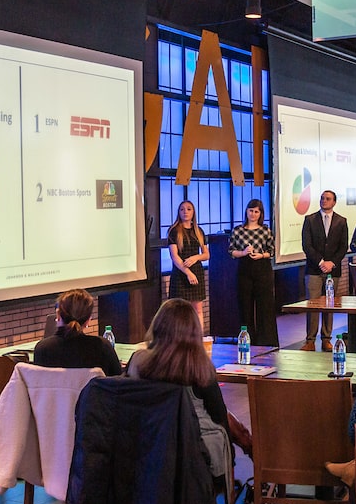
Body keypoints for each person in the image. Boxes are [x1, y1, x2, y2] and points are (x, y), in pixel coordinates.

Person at [126, 299, 244, 484]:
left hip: (146, 454)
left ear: (158, 325)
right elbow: (218, 417)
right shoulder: (200, 368)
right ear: (194, 332)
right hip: (194, 461)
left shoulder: (137, 362)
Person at [31, 288, 122, 375]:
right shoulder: (102, 346)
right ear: (88, 320)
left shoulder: (42, 348)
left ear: (58, 316)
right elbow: (116, 382)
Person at [301, 189, 349, 351]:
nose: (324, 201)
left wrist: (332, 263)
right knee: (313, 305)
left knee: (329, 305)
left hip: (332, 270)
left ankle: (326, 339)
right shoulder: (310, 219)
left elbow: (343, 247)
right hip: (314, 269)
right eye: (322, 198)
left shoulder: (341, 221)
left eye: (328, 199)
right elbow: (307, 245)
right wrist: (321, 261)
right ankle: (310, 340)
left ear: (334, 202)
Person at [228, 198, 277, 347]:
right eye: (251, 211)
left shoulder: (265, 230)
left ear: (260, 213)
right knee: (245, 306)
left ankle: (267, 341)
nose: (253, 214)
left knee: (265, 307)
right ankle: (247, 340)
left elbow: (272, 251)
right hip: (244, 268)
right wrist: (243, 252)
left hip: (262, 268)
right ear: (246, 211)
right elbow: (231, 251)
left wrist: (261, 255)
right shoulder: (237, 230)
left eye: (256, 211)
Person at [167, 200, 209, 331]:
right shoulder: (174, 231)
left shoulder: (198, 231)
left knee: (197, 309)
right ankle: (178, 340)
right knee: (178, 310)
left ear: (193, 212)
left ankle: (199, 341)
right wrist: (188, 272)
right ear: (178, 212)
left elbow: (206, 255)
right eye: (182, 209)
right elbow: (174, 257)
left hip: (197, 271)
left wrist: (196, 257)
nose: (185, 212)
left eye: (189, 209)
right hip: (181, 272)